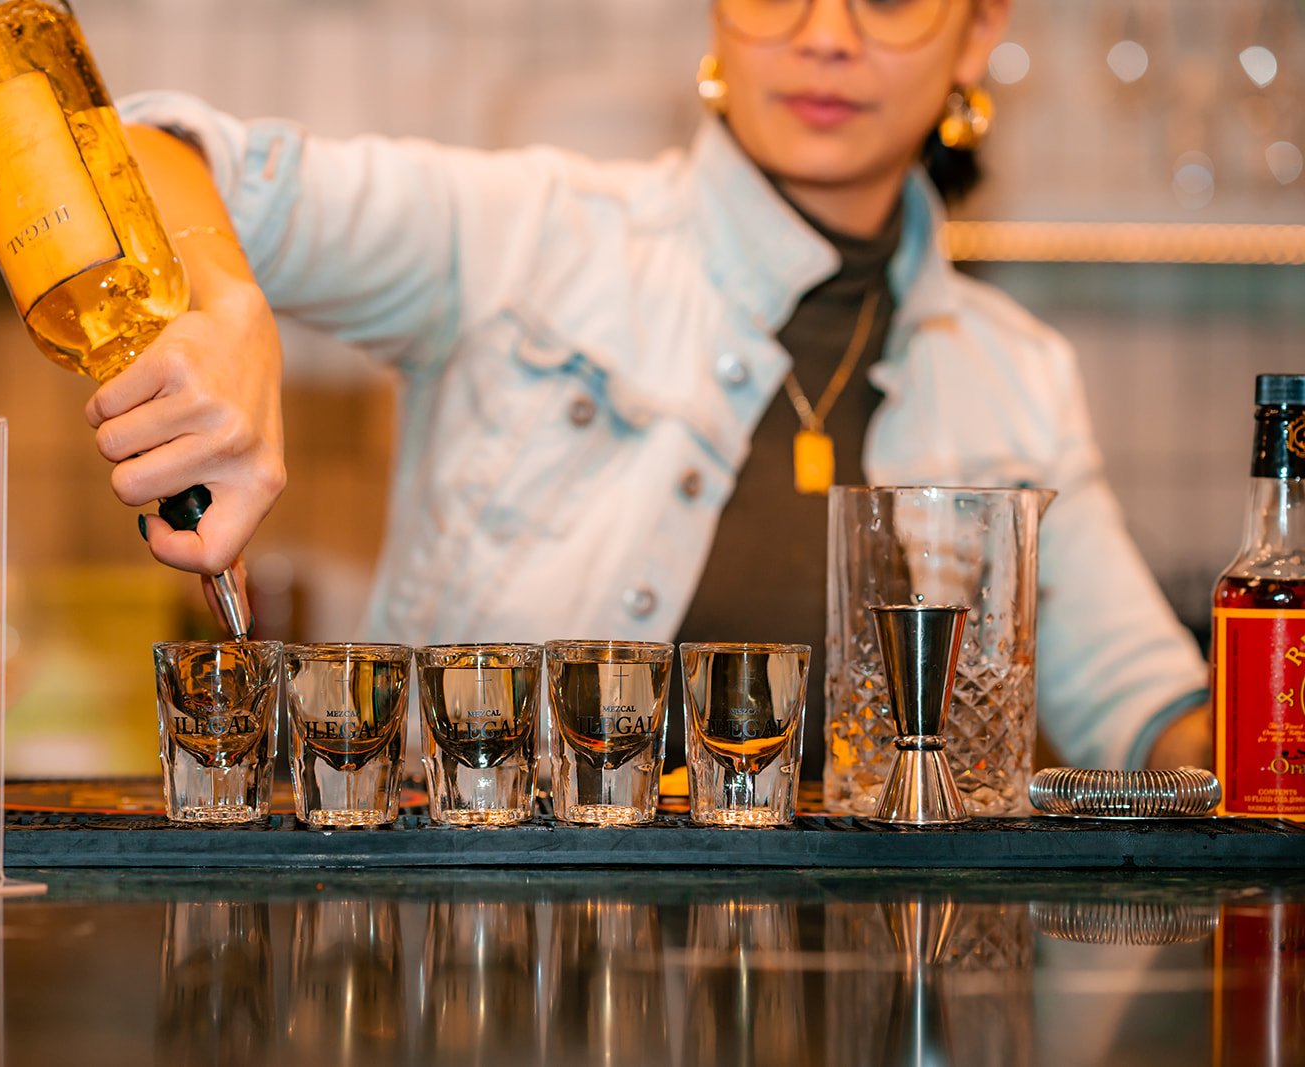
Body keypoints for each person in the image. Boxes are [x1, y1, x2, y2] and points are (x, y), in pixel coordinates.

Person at [85, 0, 1210, 771]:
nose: (824, 37)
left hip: (876, 999)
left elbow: (1151, 713)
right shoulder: (522, 238)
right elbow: (134, 147)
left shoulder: (1016, 376)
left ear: (978, 35)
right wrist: (231, 309)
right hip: (497, 987)